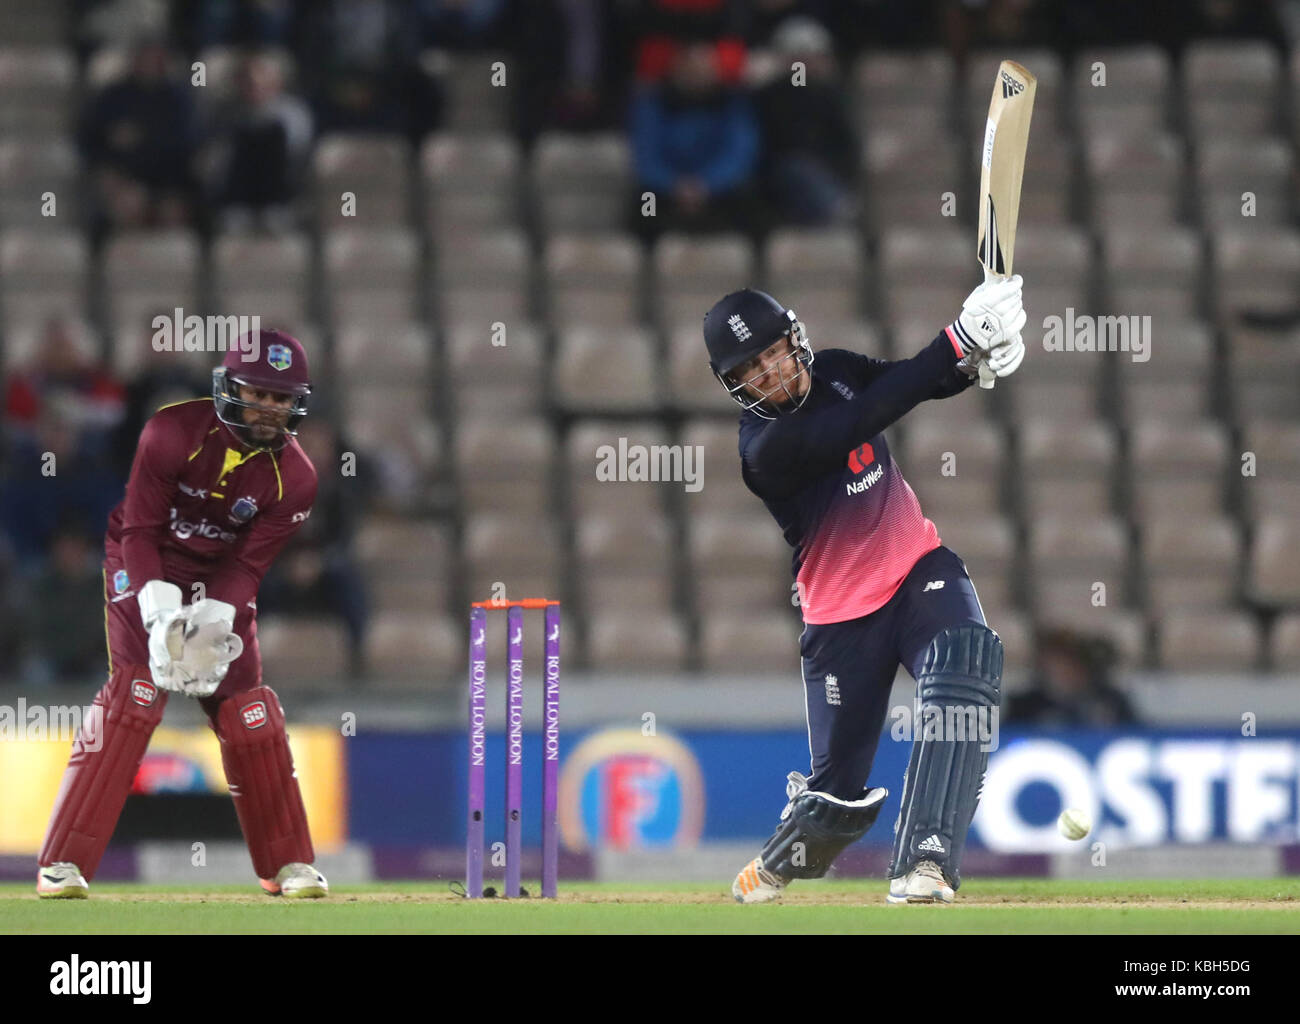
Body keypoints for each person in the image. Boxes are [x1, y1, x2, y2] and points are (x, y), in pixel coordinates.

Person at [704, 278, 1026, 904]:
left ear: (793, 339)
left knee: (966, 664)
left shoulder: (839, 369)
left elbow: (910, 380)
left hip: (917, 569)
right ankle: (782, 857)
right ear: (736, 383)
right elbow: (865, 418)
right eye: (752, 367)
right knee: (837, 802)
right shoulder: (764, 449)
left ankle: (925, 863)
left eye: (773, 352)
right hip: (842, 616)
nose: (770, 372)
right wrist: (957, 338)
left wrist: (974, 363)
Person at [36, 329, 328, 900]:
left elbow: (246, 567)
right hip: (144, 562)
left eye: (282, 398)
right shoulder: (171, 432)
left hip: (219, 581)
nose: (270, 408)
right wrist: (161, 615)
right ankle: (62, 865)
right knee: (137, 694)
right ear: (229, 385)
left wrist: (212, 619)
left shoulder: (296, 479)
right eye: (258, 392)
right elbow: (141, 530)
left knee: (250, 715)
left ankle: (288, 865)